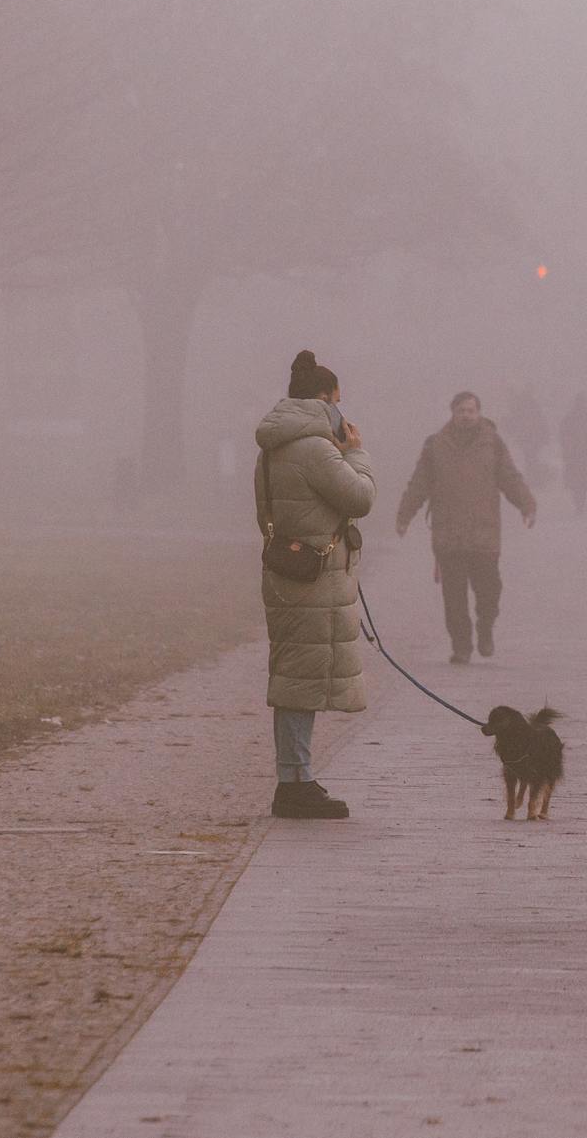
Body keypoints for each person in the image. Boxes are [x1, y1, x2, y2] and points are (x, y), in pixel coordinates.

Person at [254, 350, 375, 820]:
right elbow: (360, 497)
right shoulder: (316, 449)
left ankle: (298, 775)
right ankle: (293, 783)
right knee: (299, 683)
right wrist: (358, 453)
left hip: (285, 573)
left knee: (294, 676)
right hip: (314, 579)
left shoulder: (271, 448)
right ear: (325, 400)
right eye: (340, 401)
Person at [397, 391, 537, 664]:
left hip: (484, 533)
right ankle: (461, 645)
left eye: (471, 410)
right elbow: (419, 484)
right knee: (454, 598)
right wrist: (404, 516)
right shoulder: (435, 445)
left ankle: (485, 627)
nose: (466, 415)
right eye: (461, 410)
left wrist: (527, 506)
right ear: (453, 413)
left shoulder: (493, 444)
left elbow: (510, 478)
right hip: (448, 534)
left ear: (479, 413)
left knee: (490, 590)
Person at [558, 394, 587, 514]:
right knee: (580, 481)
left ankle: (579, 504)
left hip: (577, 454)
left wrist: (566, 449)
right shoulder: (585, 418)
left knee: (577, 481)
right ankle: (580, 504)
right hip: (579, 455)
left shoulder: (571, 418)